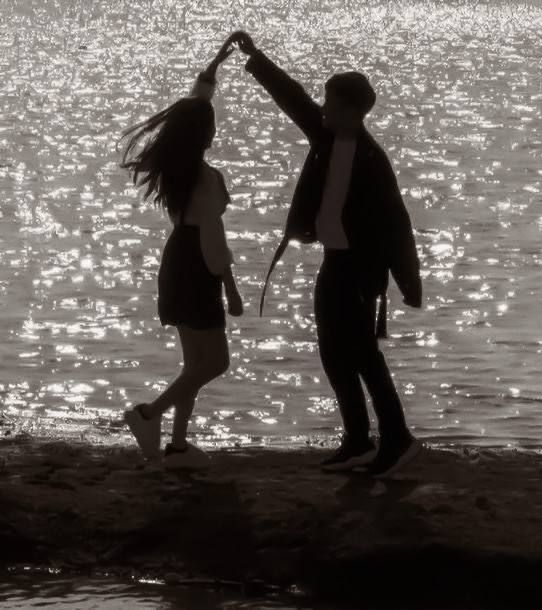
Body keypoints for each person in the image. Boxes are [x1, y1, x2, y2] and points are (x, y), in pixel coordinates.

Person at [228, 31, 423, 477]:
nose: (323, 109)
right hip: (334, 260)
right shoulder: (325, 135)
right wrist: (255, 58)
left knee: (362, 354)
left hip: (361, 269)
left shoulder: (373, 160)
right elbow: (291, 97)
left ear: (353, 112)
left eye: (332, 103)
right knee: (333, 352)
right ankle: (357, 439)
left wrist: (406, 285)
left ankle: (398, 438)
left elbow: (397, 224)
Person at [120, 40, 243, 467]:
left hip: (177, 260)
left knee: (193, 363)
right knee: (216, 362)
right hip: (198, 265)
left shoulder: (178, 167)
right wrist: (231, 289)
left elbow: (195, 104)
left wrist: (215, 64)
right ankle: (148, 414)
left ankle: (176, 446)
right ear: (205, 134)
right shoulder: (206, 179)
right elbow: (213, 237)